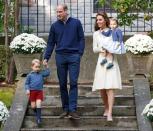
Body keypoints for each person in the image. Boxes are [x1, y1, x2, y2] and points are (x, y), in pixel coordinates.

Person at [43, 4, 85, 119]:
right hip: (60, 56)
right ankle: (65, 109)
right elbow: (51, 43)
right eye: (57, 12)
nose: (58, 14)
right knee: (62, 84)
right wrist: (46, 57)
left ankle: (72, 109)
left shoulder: (76, 23)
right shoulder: (54, 26)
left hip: (73, 56)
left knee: (73, 82)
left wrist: (79, 53)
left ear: (66, 11)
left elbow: (81, 38)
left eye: (60, 12)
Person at [92, 12, 122, 121]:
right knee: (102, 88)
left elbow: (118, 44)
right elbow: (94, 48)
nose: (98, 22)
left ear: (105, 20)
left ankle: (110, 112)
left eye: (100, 19)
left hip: (111, 60)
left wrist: (112, 50)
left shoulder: (112, 31)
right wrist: (102, 49)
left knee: (109, 87)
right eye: (97, 20)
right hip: (101, 60)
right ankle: (106, 107)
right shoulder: (96, 34)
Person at [25, 59, 50, 126]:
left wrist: (46, 66)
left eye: (39, 67)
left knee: (39, 104)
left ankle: (39, 119)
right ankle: (37, 113)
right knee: (33, 106)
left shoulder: (41, 73)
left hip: (39, 92)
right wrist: (27, 89)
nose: (37, 68)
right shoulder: (29, 75)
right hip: (32, 92)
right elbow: (26, 83)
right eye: (36, 67)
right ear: (32, 67)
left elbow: (47, 73)